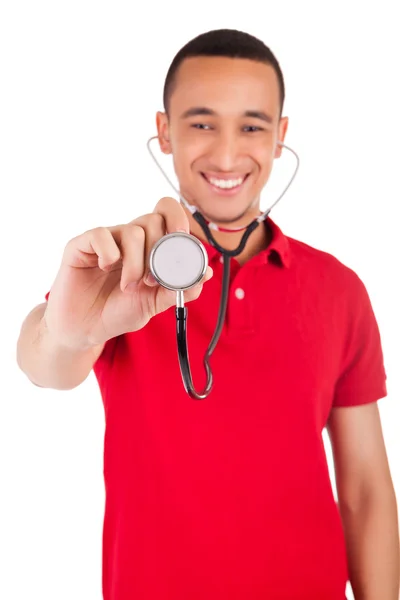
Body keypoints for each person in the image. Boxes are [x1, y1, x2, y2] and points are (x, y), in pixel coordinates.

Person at [16, 28, 399, 600]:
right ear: (164, 132)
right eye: (201, 123)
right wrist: (69, 331)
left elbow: (366, 489)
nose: (225, 155)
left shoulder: (339, 289)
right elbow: (46, 363)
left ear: (280, 137)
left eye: (251, 125)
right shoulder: (120, 273)